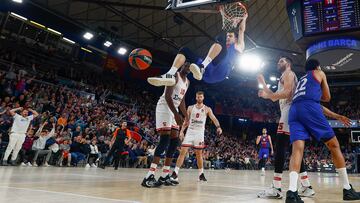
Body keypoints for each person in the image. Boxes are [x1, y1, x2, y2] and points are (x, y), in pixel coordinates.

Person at [285, 59, 360, 202]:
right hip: (309, 108)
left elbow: (314, 103)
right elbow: (326, 98)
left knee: (297, 150)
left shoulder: (302, 80)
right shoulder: (319, 72)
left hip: (294, 110)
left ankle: (292, 193)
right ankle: (347, 189)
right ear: (317, 67)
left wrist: (336, 116)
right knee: (334, 145)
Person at [257, 57, 314, 198]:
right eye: (278, 61)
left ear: (288, 64)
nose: (278, 62)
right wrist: (264, 85)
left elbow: (287, 93)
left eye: (281, 61)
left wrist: (265, 88)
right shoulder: (283, 77)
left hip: (289, 110)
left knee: (280, 146)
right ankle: (306, 186)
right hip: (290, 111)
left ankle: (276, 188)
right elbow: (274, 97)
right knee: (293, 150)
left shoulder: (288, 74)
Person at [147, 11, 247, 86]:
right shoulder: (220, 46)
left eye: (230, 36)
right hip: (207, 74)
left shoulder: (238, 46)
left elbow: (241, 30)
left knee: (219, 40)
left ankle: (201, 67)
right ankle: (170, 74)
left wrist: (244, 18)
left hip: (220, 71)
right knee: (185, 50)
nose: (228, 37)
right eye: (228, 36)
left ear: (236, 39)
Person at [141, 64, 190, 188]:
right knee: (165, 139)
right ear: (182, 66)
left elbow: (182, 101)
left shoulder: (188, 82)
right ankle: (149, 176)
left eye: (191, 67)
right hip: (165, 107)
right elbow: (168, 96)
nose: (189, 68)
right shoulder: (174, 75)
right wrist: (176, 114)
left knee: (174, 142)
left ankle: (164, 175)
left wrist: (186, 116)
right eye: (187, 65)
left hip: (174, 110)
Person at [170, 91, 222, 184]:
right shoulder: (190, 108)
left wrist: (218, 127)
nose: (199, 98)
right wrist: (182, 131)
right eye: (198, 97)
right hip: (190, 132)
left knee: (199, 155)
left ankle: (201, 174)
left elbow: (214, 118)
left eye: (201, 97)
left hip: (199, 133)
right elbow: (186, 121)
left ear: (203, 98)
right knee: (183, 152)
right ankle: (175, 173)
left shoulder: (207, 109)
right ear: (196, 98)